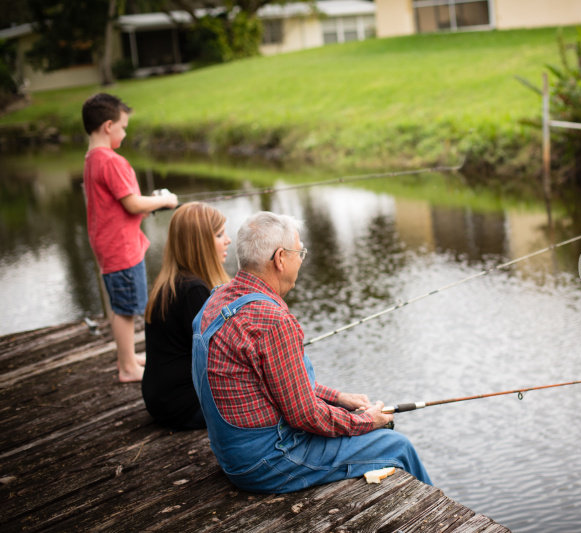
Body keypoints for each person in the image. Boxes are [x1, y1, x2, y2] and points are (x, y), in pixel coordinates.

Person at [192, 211, 432, 493]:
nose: (301, 260)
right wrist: (368, 421)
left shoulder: (217, 298)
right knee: (397, 445)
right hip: (268, 462)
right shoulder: (272, 321)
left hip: (233, 457)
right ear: (280, 258)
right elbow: (306, 417)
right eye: (300, 252)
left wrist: (340, 398)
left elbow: (280, 383)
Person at [82, 93, 178, 382]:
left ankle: (128, 356)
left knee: (120, 304)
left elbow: (121, 204)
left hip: (107, 243)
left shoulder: (91, 159)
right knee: (126, 310)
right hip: (121, 247)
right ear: (108, 125)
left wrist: (147, 202)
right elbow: (133, 204)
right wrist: (164, 201)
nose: (124, 132)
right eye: (123, 127)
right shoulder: (112, 161)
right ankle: (127, 368)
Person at [143, 202, 231, 430]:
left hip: (162, 400)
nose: (227, 240)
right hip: (184, 407)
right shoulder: (194, 291)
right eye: (220, 234)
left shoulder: (170, 284)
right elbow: (220, 357)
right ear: (200, 243)